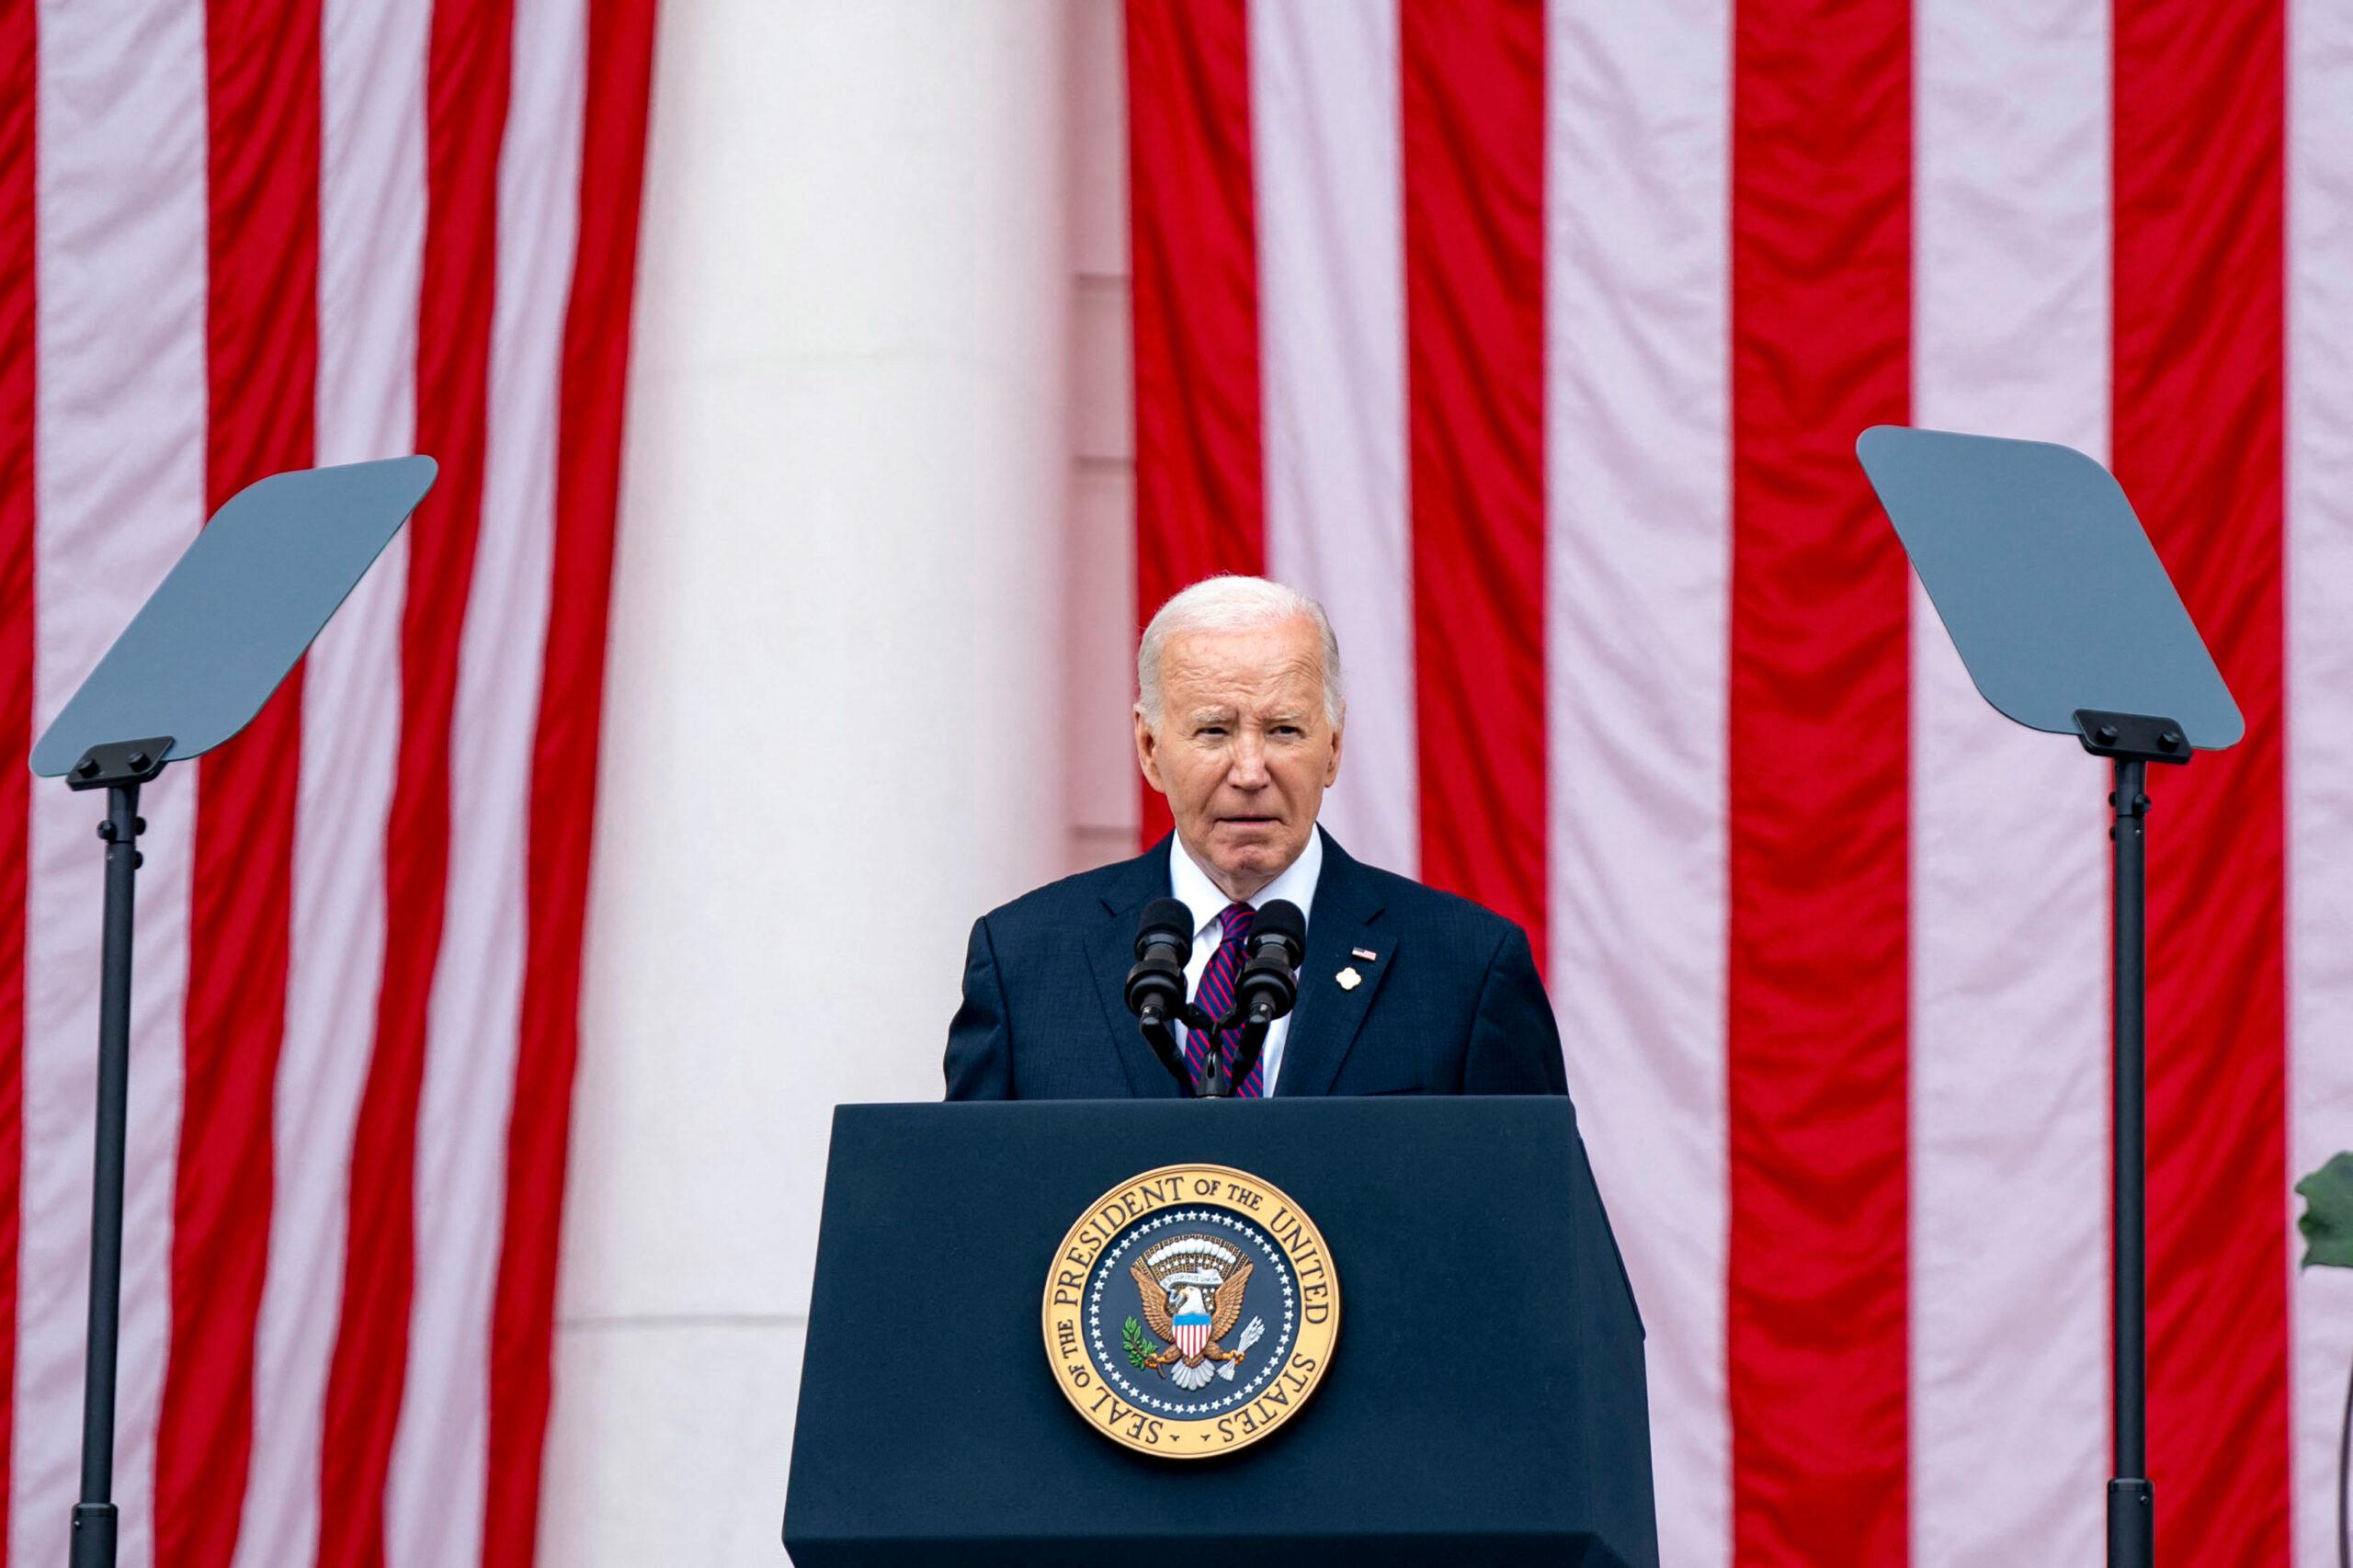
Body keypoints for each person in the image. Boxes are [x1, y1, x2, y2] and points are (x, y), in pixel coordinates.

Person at [943, 574, 1567, 1100]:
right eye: (1213, 731)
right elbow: (967, 1228)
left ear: (1334, 746)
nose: (1249, 772)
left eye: (1285, 731)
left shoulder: (1468, 970)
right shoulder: (1024, 964)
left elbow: (1536, 1226)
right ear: (1150, 747)